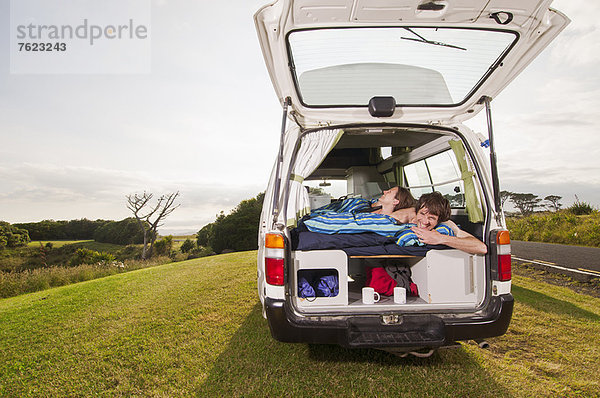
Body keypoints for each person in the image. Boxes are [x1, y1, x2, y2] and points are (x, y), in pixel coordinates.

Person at [409, 192, 487, 255]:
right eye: (422, 214)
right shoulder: (406, 219)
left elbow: (481, 248)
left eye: (431, 218)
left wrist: (440, 238)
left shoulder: (446, 225)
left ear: (440, 220)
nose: (425, 222)